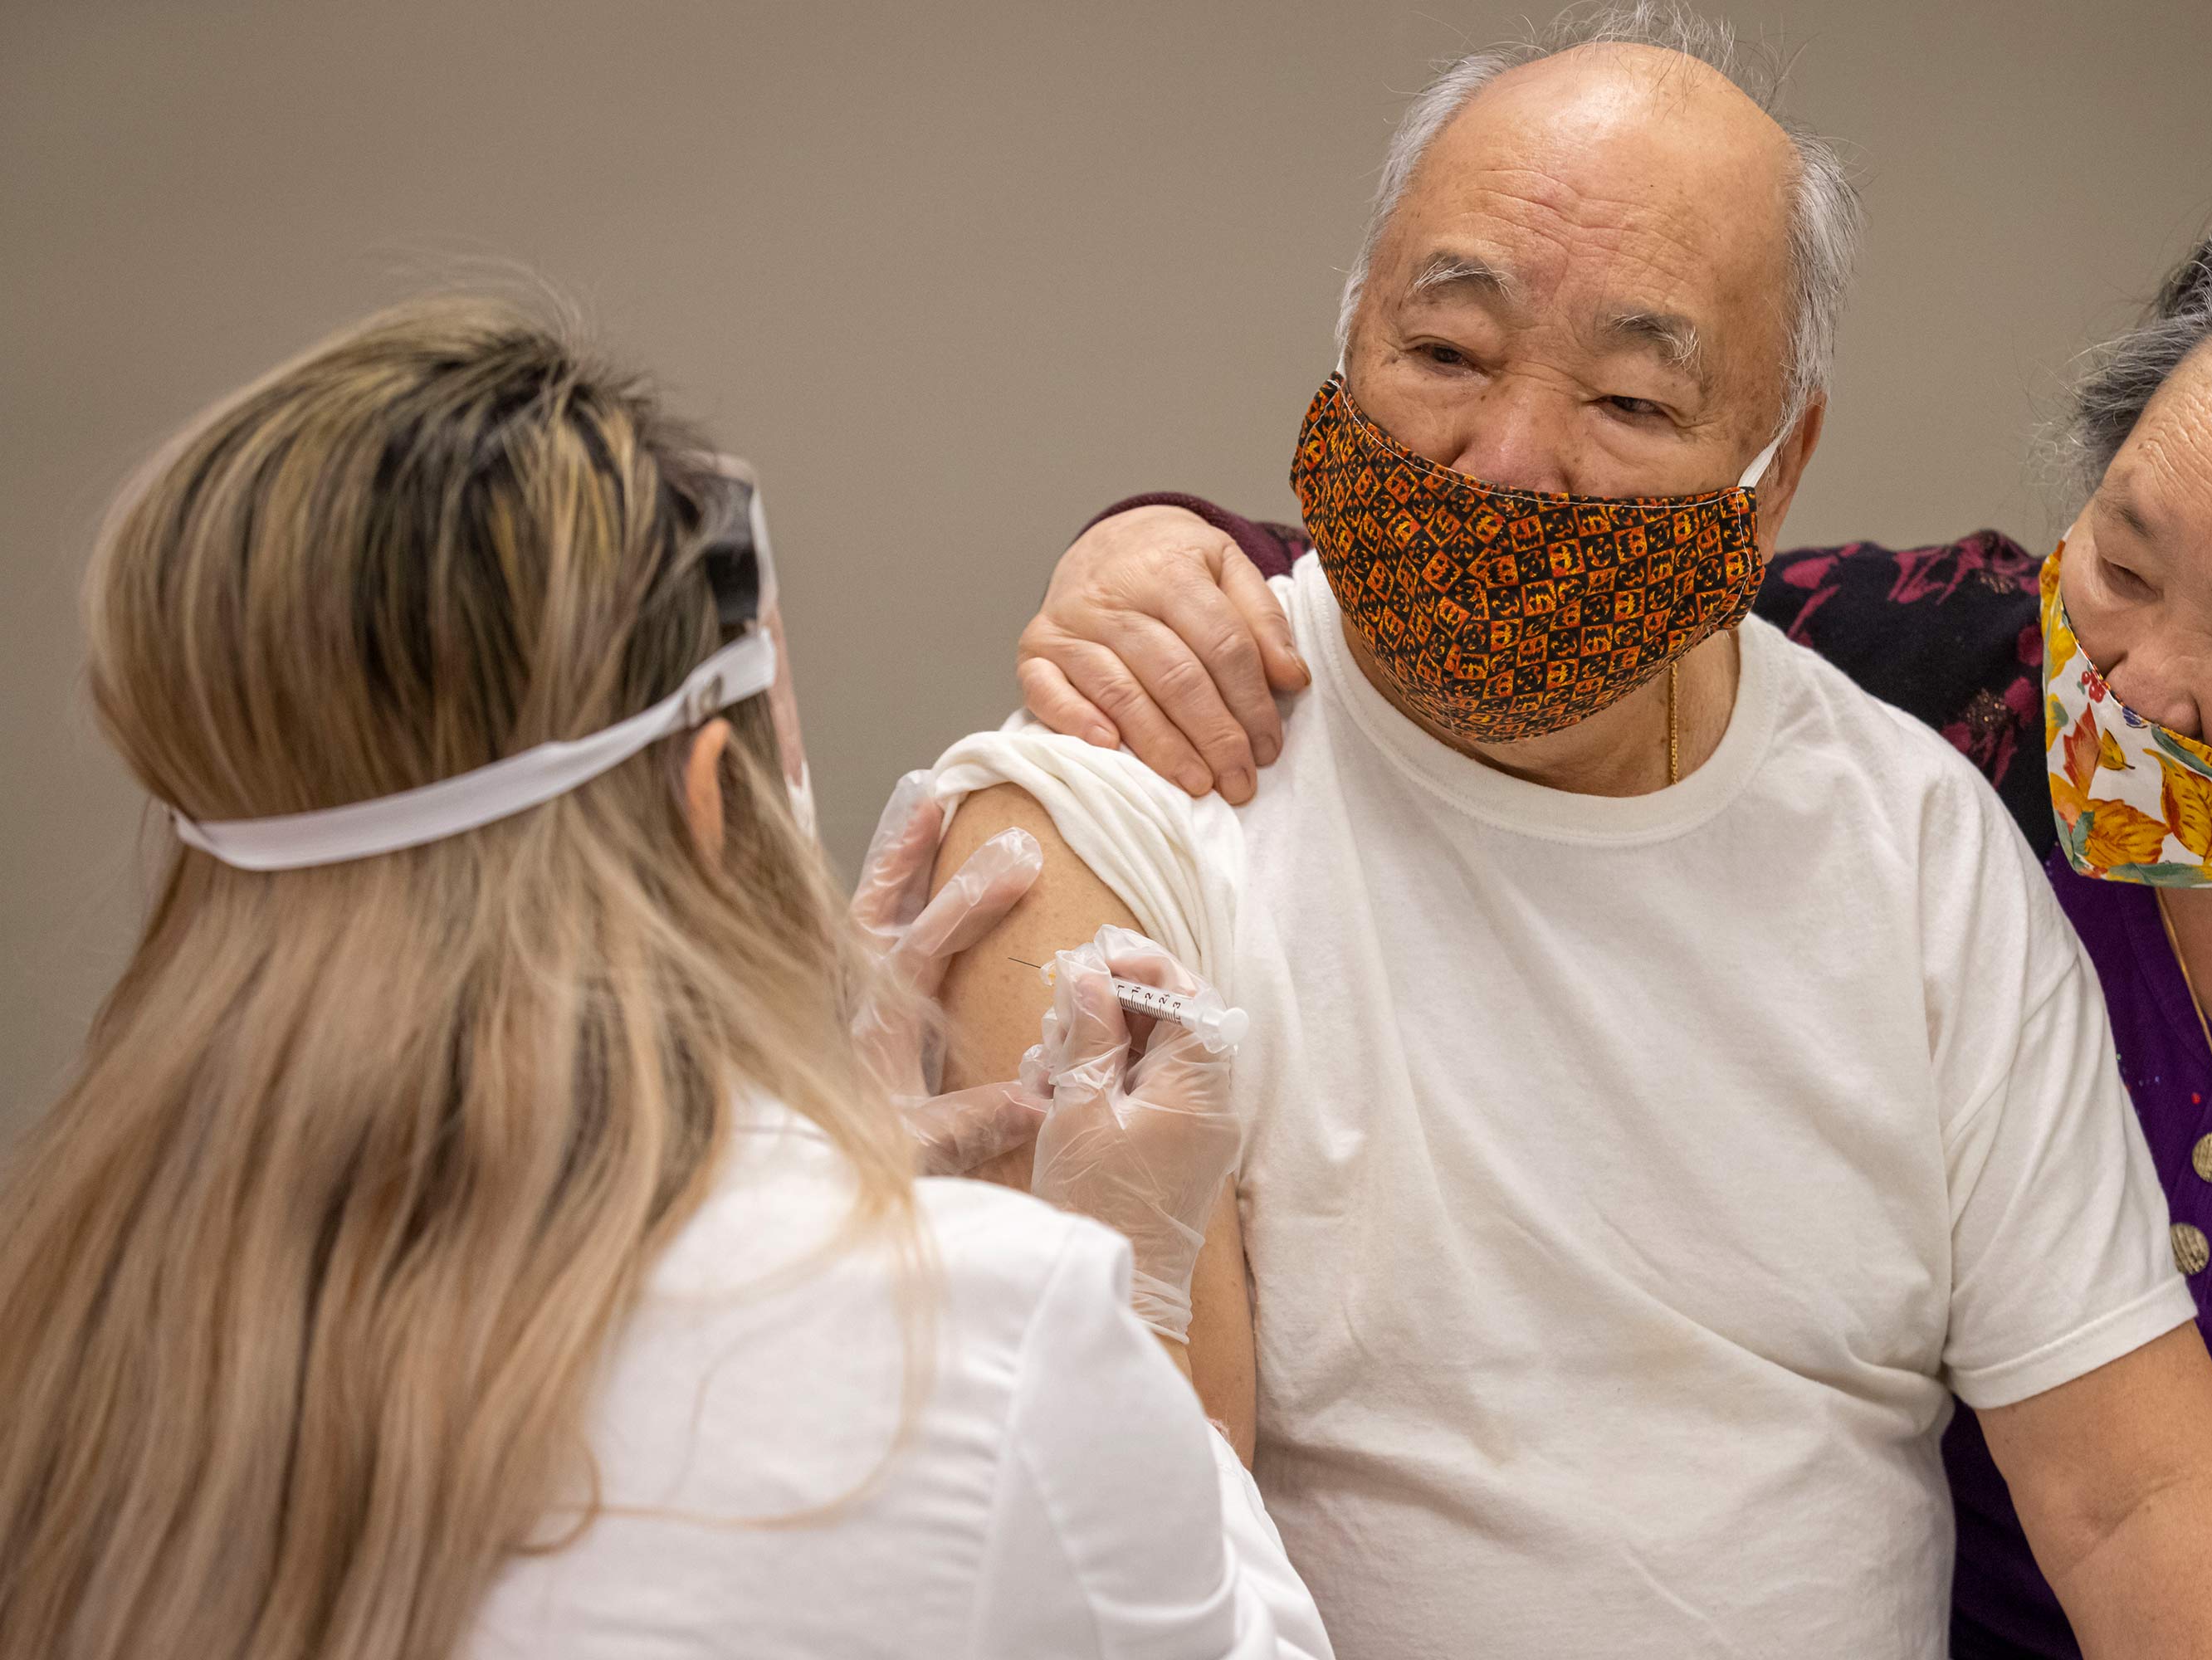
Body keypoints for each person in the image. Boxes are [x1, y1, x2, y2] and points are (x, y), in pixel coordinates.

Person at [1017, 71, 2212, 1658]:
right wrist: (1148, 546)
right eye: (2125, 557)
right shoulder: (1945, 691)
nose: (2139, 681)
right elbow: (1497, 574)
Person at [920, 13, 2212, 1660]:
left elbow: (2134, 1494)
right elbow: (1146, 1537)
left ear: (1773, 470)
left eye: (1631, 398)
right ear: (1343, 350)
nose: (1511, 462)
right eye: (1442, 354)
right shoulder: (1112, 812)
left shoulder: (1916, 848)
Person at [0, 299, 1331, 1660]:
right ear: (709, 801)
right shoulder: (986, 1340)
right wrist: (1138, 1289)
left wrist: (817, 1176)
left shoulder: (67, 1328)